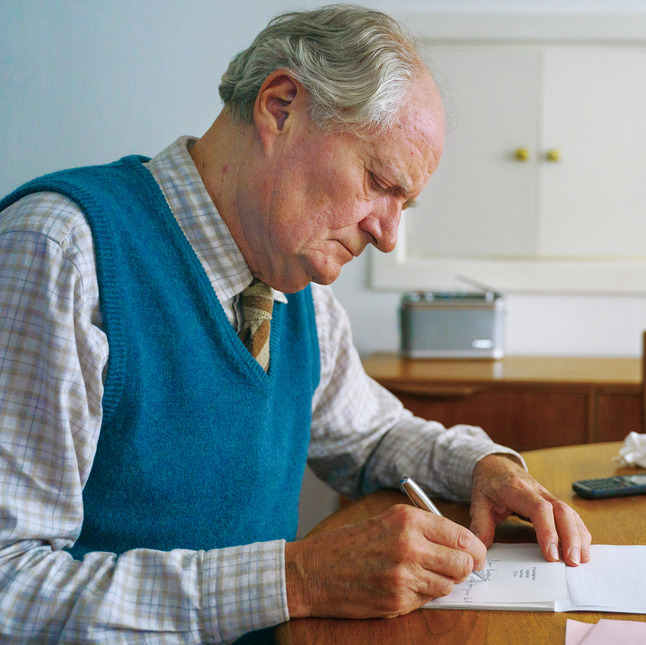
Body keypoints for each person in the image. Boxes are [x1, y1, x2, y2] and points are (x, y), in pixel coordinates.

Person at [0, 5, 591, 644]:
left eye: (405, 204)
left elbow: (372, 436)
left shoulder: (293, 283)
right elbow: (10, 585)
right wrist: (297, 579)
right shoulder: (59, 252)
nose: (389, 236)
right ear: (280, 106)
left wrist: (484, 466)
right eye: (377, 181)